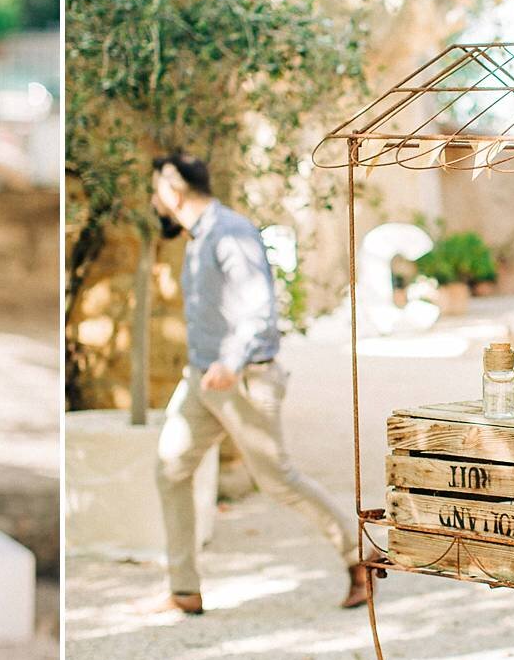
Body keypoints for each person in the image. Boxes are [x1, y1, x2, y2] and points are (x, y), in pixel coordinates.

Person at [147, 152, 376, 614]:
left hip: (242, 377)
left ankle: (360, 555)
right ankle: (184, 589)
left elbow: (258, 308)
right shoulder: (199, 235)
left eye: (155, 189)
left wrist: (230, 362)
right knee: (171, 468)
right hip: (204, 377)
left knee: (278, 480)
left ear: (172, 189)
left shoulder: (230, 232)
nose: (153, 200)